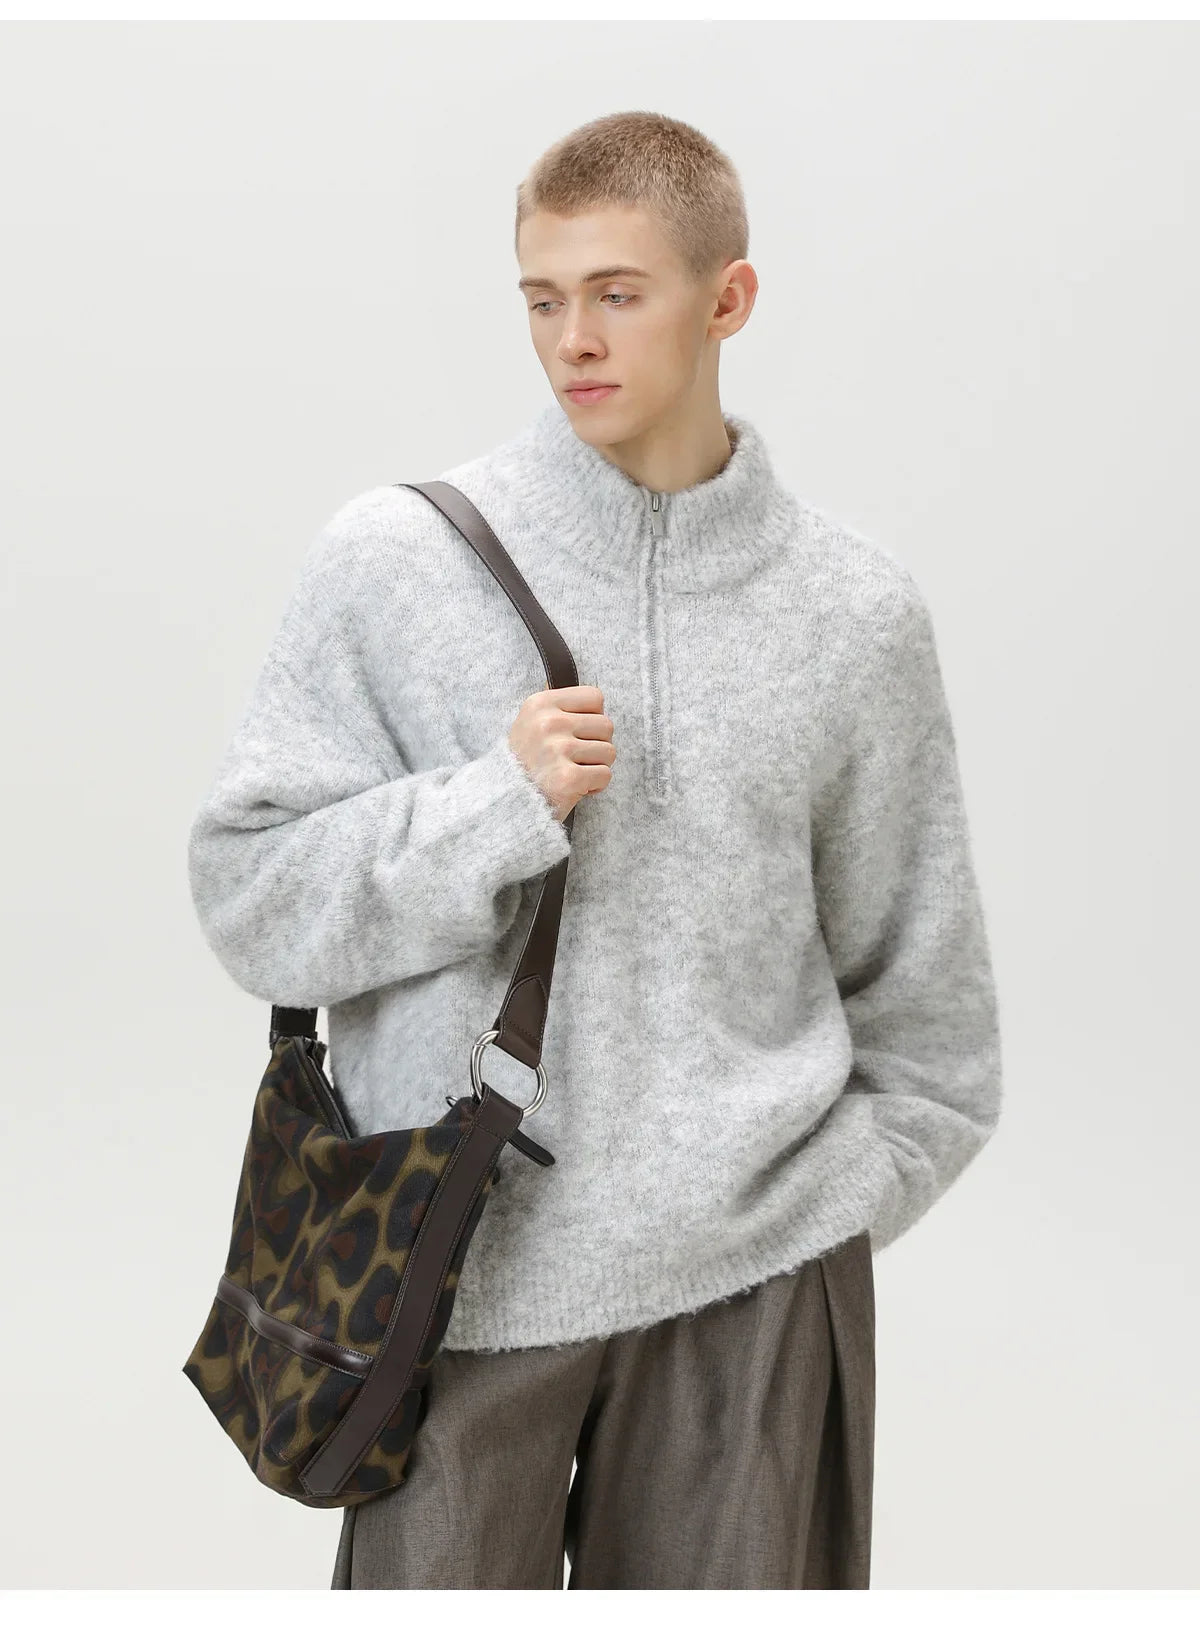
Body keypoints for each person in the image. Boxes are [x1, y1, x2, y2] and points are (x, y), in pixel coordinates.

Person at [187, 109, 1003, 1589]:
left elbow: (926, 998)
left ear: (727, 299)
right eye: (543, 298)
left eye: (619, 293)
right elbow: (251, 896)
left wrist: (828, 1206)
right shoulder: (398, 560)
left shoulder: (855, 615)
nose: (574, 339)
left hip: (756, 1288)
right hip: (460, 1271)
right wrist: (490, 809)